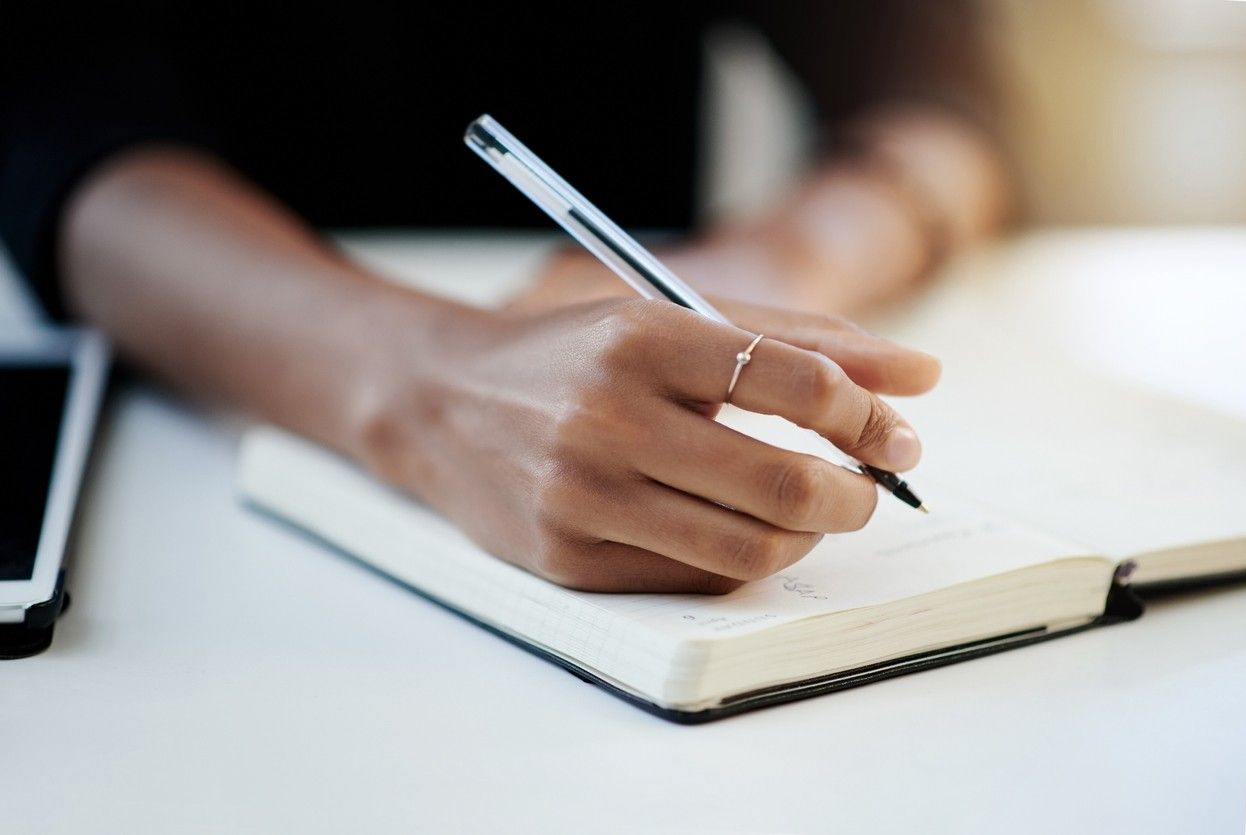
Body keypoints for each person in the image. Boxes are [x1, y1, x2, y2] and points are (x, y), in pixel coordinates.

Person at [0, 1, 1011, 593]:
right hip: (188, 458)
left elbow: (942, 98)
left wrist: (780, 264)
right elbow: (57, 134)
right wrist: (416, 378)